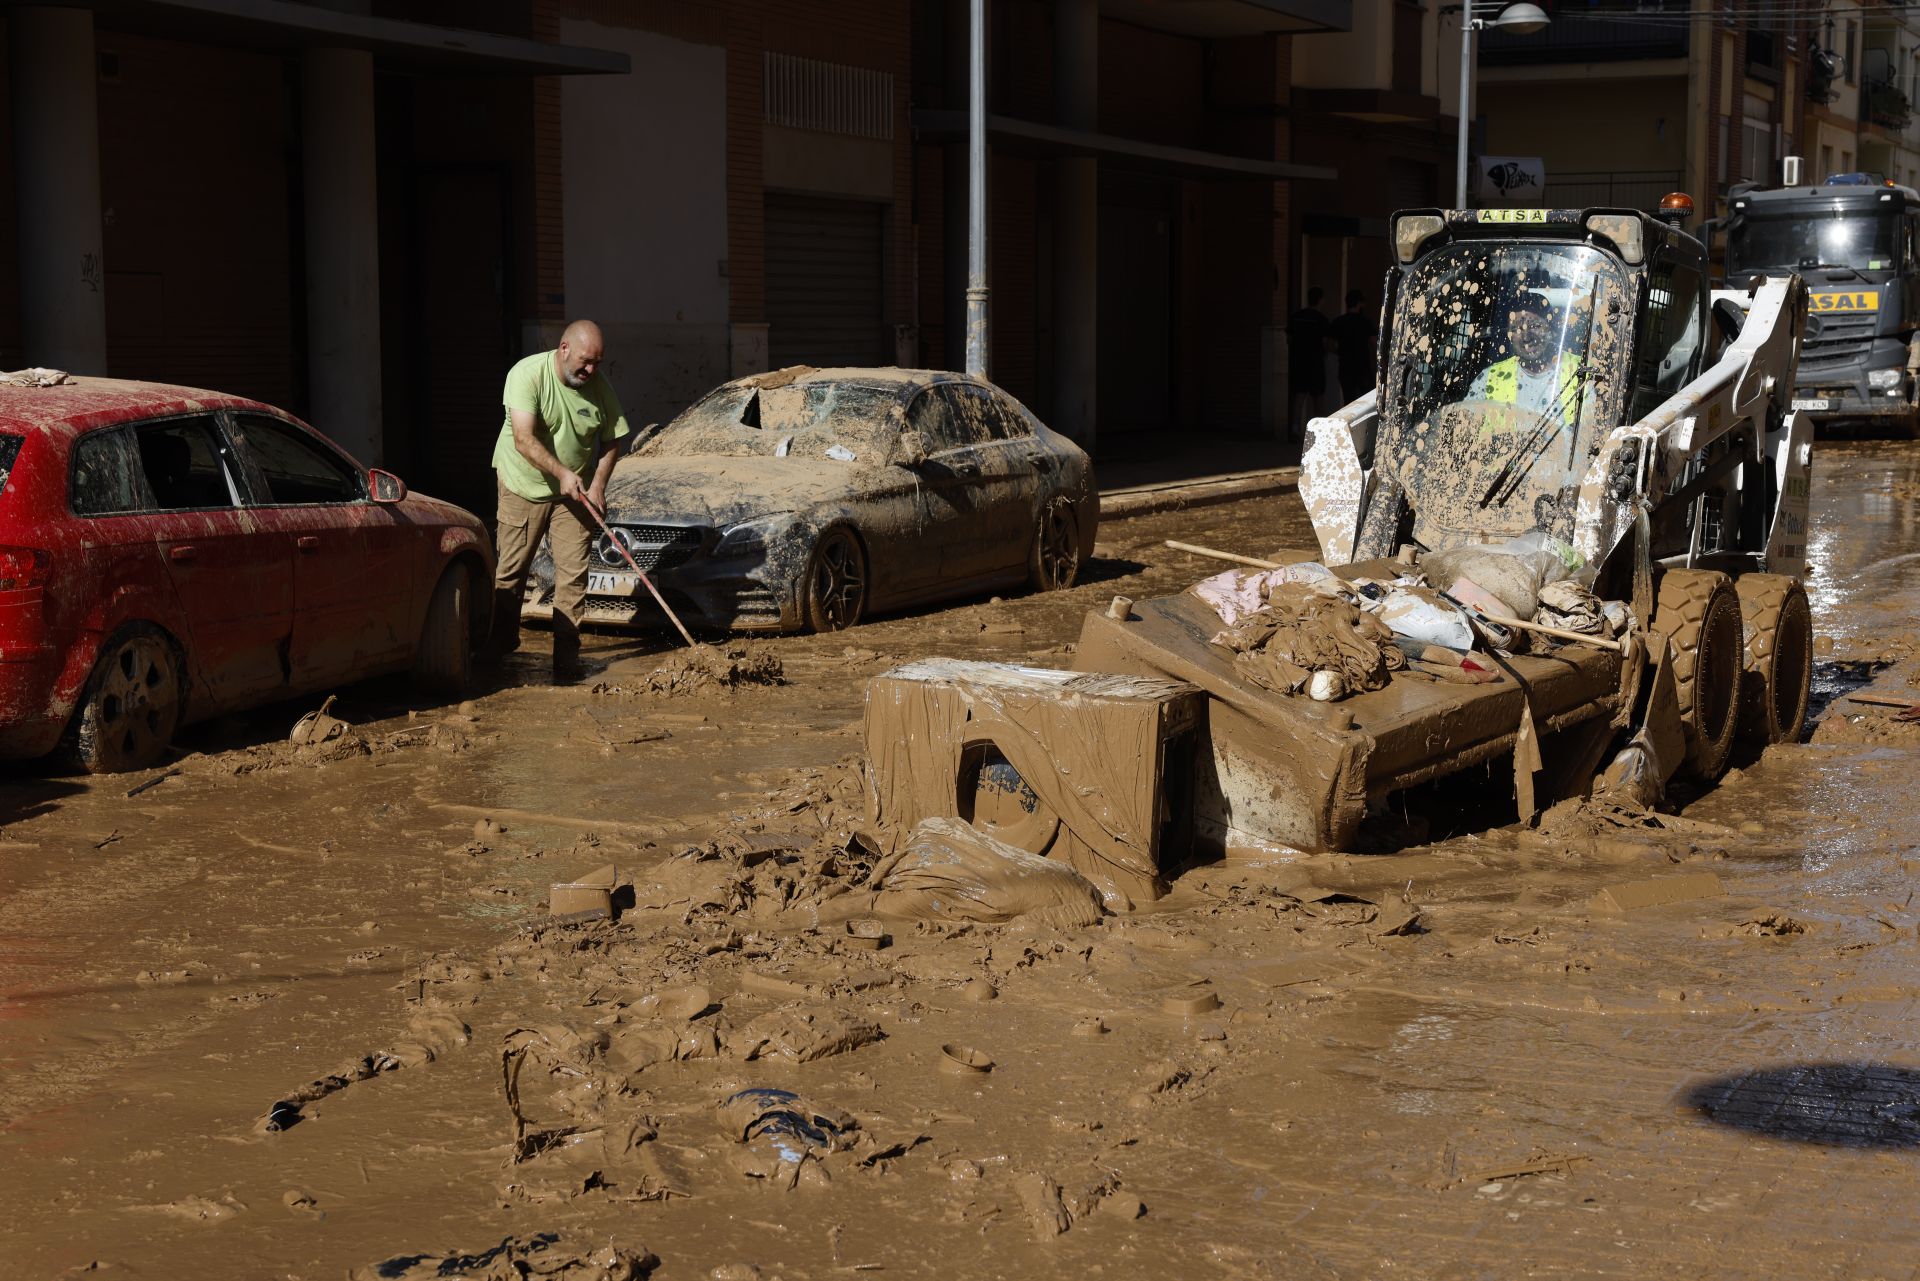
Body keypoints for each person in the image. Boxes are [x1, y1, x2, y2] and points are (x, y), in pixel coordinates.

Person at [490, 319, 630, 682]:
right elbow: (522, 438)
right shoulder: (527, 374)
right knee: (511, 572)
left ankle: (567, 662)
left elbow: (613, 439)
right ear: (564, 349)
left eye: (597, 363)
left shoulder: (599, 386)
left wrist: (597, 485)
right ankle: (498, 649)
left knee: (573, 575)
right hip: (524, 485)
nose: (590, 370)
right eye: (585, 361)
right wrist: (563, 473)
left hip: (575, 493)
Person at [1466, 290, 1583, 421]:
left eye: (1534, 325)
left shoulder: (1583, 371)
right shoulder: (1489, 378)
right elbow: (1463, 431)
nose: (1526, 337)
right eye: (1516, 329)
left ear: (1552, 329)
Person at [1287, 286, 1332, 440]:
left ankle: (1294, 429)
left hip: (1299, 362)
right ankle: (1319, 433)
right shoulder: (1321, 319)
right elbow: (1325, 343)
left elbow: (1289, 340)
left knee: (1299, 396)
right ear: (1320, 300)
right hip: (1315, 363)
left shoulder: (1296, 317)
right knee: (1318, 397)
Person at [1329, 289, 1377, 403]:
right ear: (1359, 303)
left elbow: (1329, 344)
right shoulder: (1366, 322)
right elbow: (1374, 343)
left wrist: (1340, 351)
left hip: (1345, 366)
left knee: (1348, 400)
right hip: (1363, 366)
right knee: (1366, 401)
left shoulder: (1338, 322)